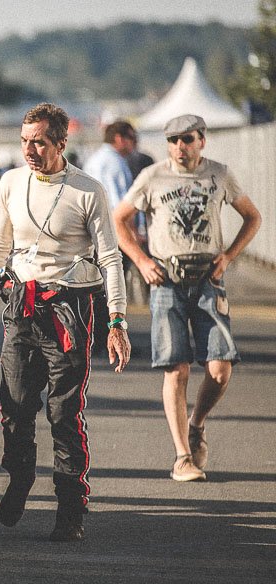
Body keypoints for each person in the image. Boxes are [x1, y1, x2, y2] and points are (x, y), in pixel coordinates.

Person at [0, 103, 131, 542]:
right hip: (21, 307)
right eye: (24, 141)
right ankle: (20, 475)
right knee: (15, 407)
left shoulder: (87, 190)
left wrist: (117, 321)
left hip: (68, 313)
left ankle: (70, 508)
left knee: (64, 414)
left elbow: (110, 258)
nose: (29, 150)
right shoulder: (10, 182)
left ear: (61, 143)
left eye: (39, 142)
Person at [112, 114, 262, 482]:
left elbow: (252, 217)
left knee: (220, 369)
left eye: (188, 139)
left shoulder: (219, 174)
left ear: (201, 141)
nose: (180, 146)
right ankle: (182, 456)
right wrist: (142, 261)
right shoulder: (152, 177)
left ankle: (197, 423)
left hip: (208, 278)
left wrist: (229, 256)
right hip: (167, 280)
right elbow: (119, 219)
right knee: (176, 369)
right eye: (173, 140)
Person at [83, 121, 138, 348]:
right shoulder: (116, 163)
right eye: (132, 138)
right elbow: (121, 206)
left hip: (90, 235)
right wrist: (134, 235)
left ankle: (94, 338)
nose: (134, 144)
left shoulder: (94, 159)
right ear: (119, 138)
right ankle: (110, 338)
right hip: (113, 235)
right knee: (113, 287)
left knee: (96, 288)